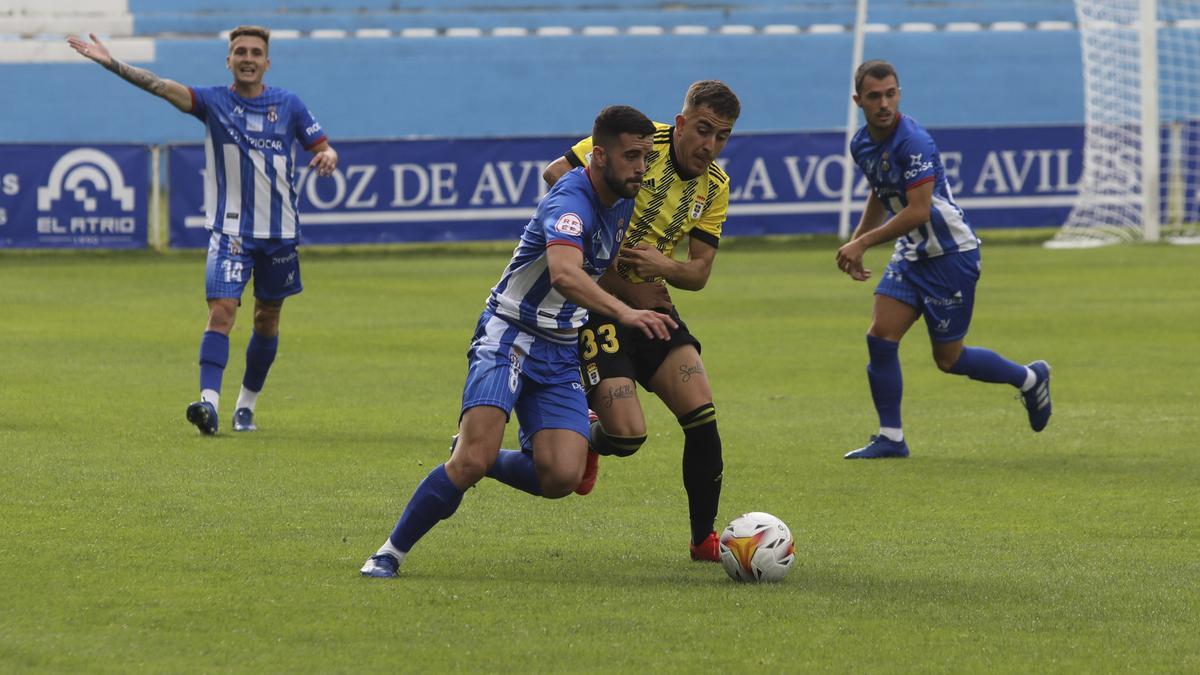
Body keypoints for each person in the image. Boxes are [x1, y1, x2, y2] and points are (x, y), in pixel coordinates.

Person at [360, 105, 672, 578]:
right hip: (509, 334)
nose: (641, 168)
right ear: (600, 156)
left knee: (561, 477)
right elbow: (566, 274)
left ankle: (478, 451)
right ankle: (389, 552)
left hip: (562, 346)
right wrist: (627, 311)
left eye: (646, 157)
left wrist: (640, 289)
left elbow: (597, 266)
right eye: (632, 156)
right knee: (468, 463)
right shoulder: (570, 201)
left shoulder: (624, 200)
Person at [68, 27, 338, 435]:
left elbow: (321, 147)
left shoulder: (289, 104)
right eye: (239, 52)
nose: (247, 57)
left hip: (279, 233)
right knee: (222, 312)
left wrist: (329, 155)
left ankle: (245, 406)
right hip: (229, 231)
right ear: (228, 61)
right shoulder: (213, 102)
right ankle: (208, 405)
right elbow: (159, 86)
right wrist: (112, 64)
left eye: (255, 52)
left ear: (267, 61)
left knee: (267, 319)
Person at [538, 80, 740, 562]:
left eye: (723, 136)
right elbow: (554, 175)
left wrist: (662, 266)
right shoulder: (638, 143)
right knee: (627, 438)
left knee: (703, 414)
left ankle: (703, 540)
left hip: (652, 308)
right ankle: (590, 436)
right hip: (595, 306)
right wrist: (610, 268)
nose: (710, 145)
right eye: (704, 130)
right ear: (683, 122)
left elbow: (697, 275)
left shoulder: (715, 187)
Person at [835, 60, 1052, 459]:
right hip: (912, 254)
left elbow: (918, 211)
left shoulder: (912, 141)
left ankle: (1029, 378)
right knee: (880, 337)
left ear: (899, 93)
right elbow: (879, 190)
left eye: (890, 93)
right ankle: (892, 438)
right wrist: (856, 241)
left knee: (949, 359)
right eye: (874, 96)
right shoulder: (861, 143)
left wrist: (863, 243)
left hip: (950, 255)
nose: (883, 103)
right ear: (858, 100)